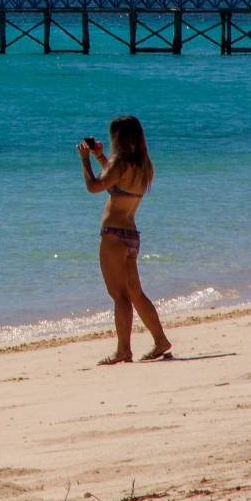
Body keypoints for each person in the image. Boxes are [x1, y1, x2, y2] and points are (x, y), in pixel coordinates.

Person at [78, 116, 172, 364]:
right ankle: (160, 340)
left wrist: (85, 160)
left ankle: (123, 350)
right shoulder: (142, 165)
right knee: (135, 293)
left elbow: (95, 186)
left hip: (114, 236)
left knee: (119, 295)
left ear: (118, 138)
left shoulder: (120, 163)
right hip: (131, 235)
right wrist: (100, 157)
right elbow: (116, 181)